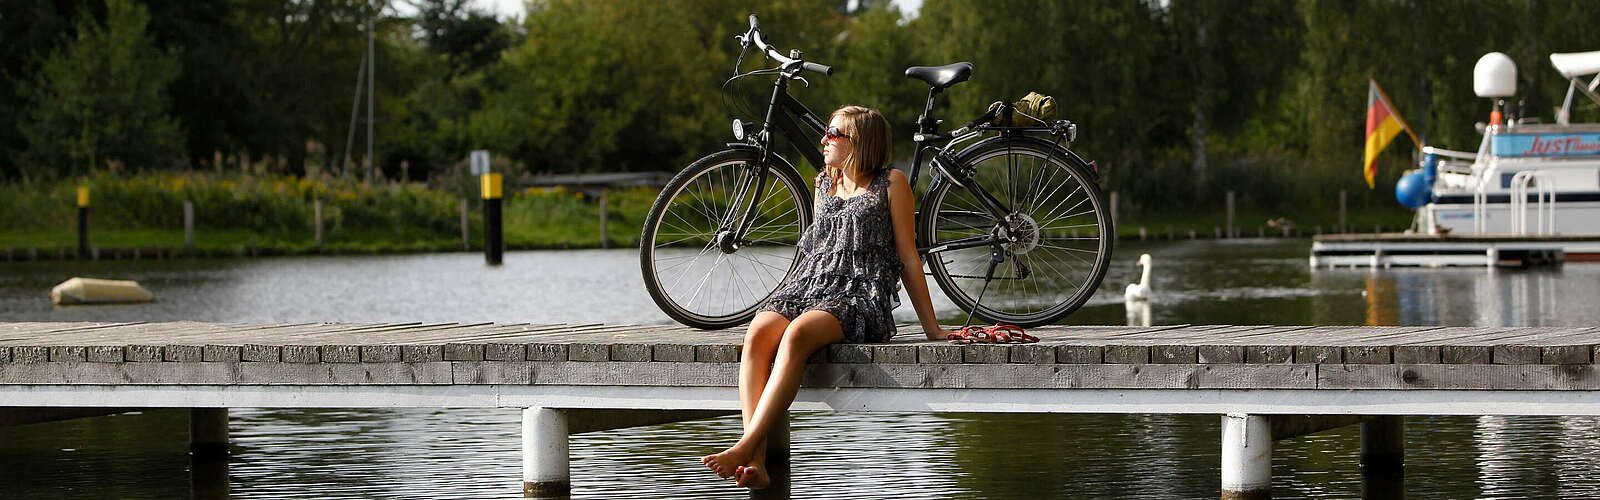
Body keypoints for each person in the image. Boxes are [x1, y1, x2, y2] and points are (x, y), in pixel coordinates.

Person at [701, 105, 955, 489]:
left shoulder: (891, 184)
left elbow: (907, 254)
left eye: (833, 133)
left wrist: (932, 328)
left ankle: (746, 445)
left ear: (860, 141)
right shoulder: (823, 183)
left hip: (858, 292)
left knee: (798, 335)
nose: (824, 139)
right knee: (758, 333)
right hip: (809, 285)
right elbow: (816, 249)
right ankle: (756, 462)